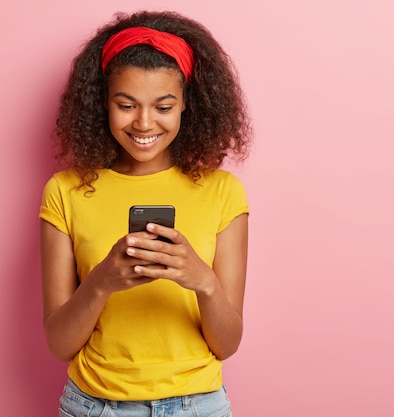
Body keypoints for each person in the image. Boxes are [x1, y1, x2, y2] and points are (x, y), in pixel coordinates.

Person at [39, 10, 252, 417]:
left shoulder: (223, 192)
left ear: (186, 104)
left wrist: (202, 281)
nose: (144, 122)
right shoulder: (65, 191)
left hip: (199, 406)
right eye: (126, 104)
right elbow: (58, 344)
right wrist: (101, 282)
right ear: (103, 102)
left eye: (163, 106)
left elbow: (227, 344)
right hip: (94, 407)